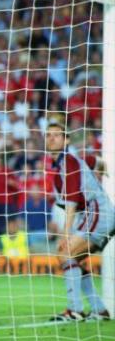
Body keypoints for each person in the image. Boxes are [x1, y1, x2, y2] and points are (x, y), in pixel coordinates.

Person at [45, 120, 113, 321]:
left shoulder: (69, 162)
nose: (52, 138)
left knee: (66, 253)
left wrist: (66, 234)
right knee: (68, 257)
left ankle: (75, 309)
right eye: (48, 135)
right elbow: (93, 160)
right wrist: (100, 166)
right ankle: (99, 310)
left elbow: (73, 201)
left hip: (98, 212)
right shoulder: (65, 166)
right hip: (95, 215)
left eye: (57, 134)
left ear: (66, 140)